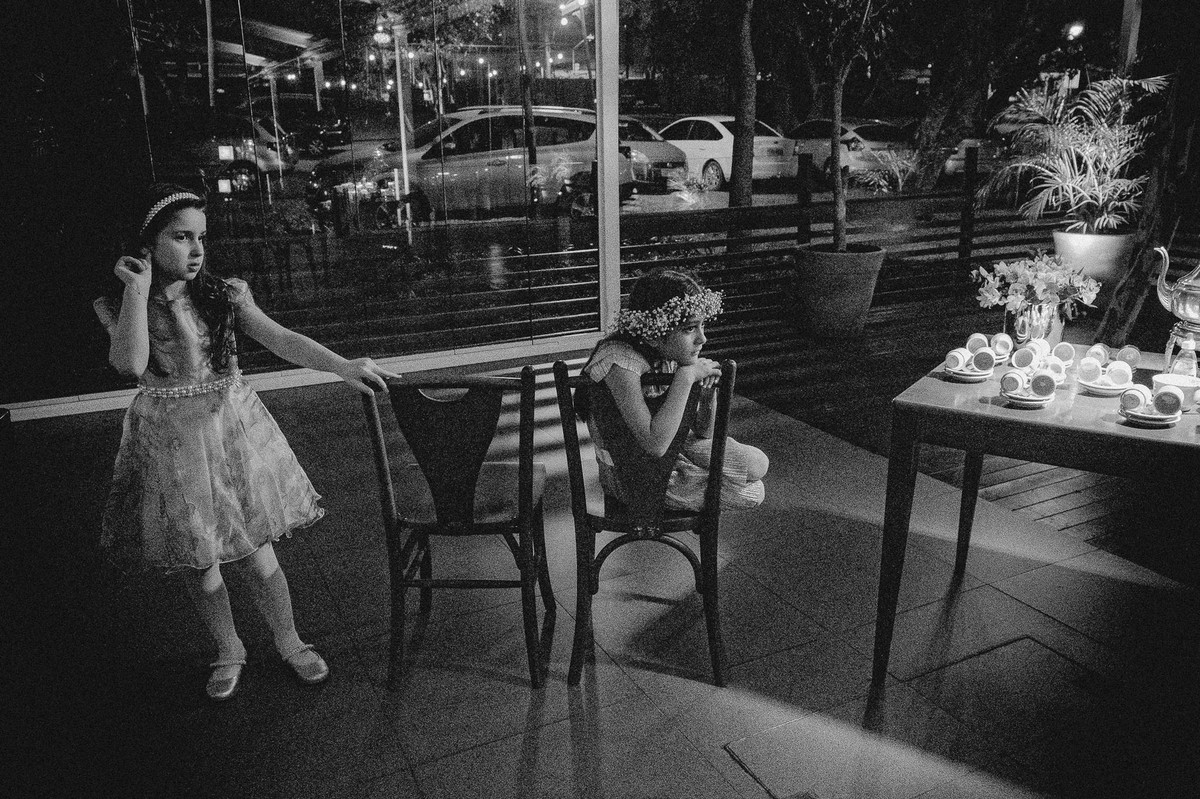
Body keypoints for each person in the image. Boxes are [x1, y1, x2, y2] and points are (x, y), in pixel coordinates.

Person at [94, 184, 399, 701]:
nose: (196, 250)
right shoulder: (121, 303)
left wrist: (342, 365)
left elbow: (280, 338)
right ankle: (228, 648)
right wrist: (136, 292)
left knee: (258, 551)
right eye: (181, 237)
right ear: (146, 243)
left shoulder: (223, 294)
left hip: (230, 432)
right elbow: (129, 364)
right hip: (172, 442)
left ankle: (290, 641)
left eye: (201, 237)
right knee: (200, 559)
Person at [579, 268, 768, 517]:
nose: (702, 339)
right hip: (635, 474)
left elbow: (704, 432)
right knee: (752, 492)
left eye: (702, 326)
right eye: (689, 329)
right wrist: (686, 377)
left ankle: (697, 474)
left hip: (675, 448)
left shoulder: (668, 352)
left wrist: (706, 392)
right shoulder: (619, 361)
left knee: (758, 463)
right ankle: (693, 478)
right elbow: (654, 444)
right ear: (653, 333)